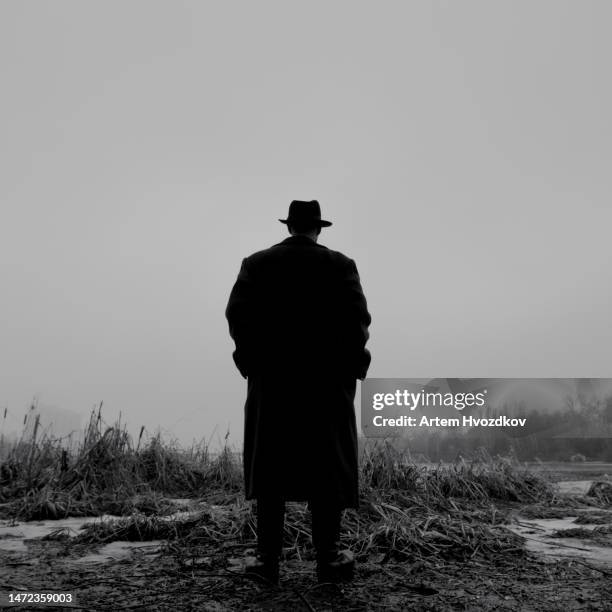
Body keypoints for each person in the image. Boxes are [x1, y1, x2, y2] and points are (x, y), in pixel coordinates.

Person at [225, 200, 371, 585]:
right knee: (326, 467)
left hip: (272, 383)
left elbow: (238, 318)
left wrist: (252, 365)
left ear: (290, 227)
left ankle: (266, 561)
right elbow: (357, 324)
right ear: (318, 229)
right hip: (326, 386)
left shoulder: (255, 265)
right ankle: (329, 559)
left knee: (271, 466)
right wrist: (350, 372)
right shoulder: (341, 266)